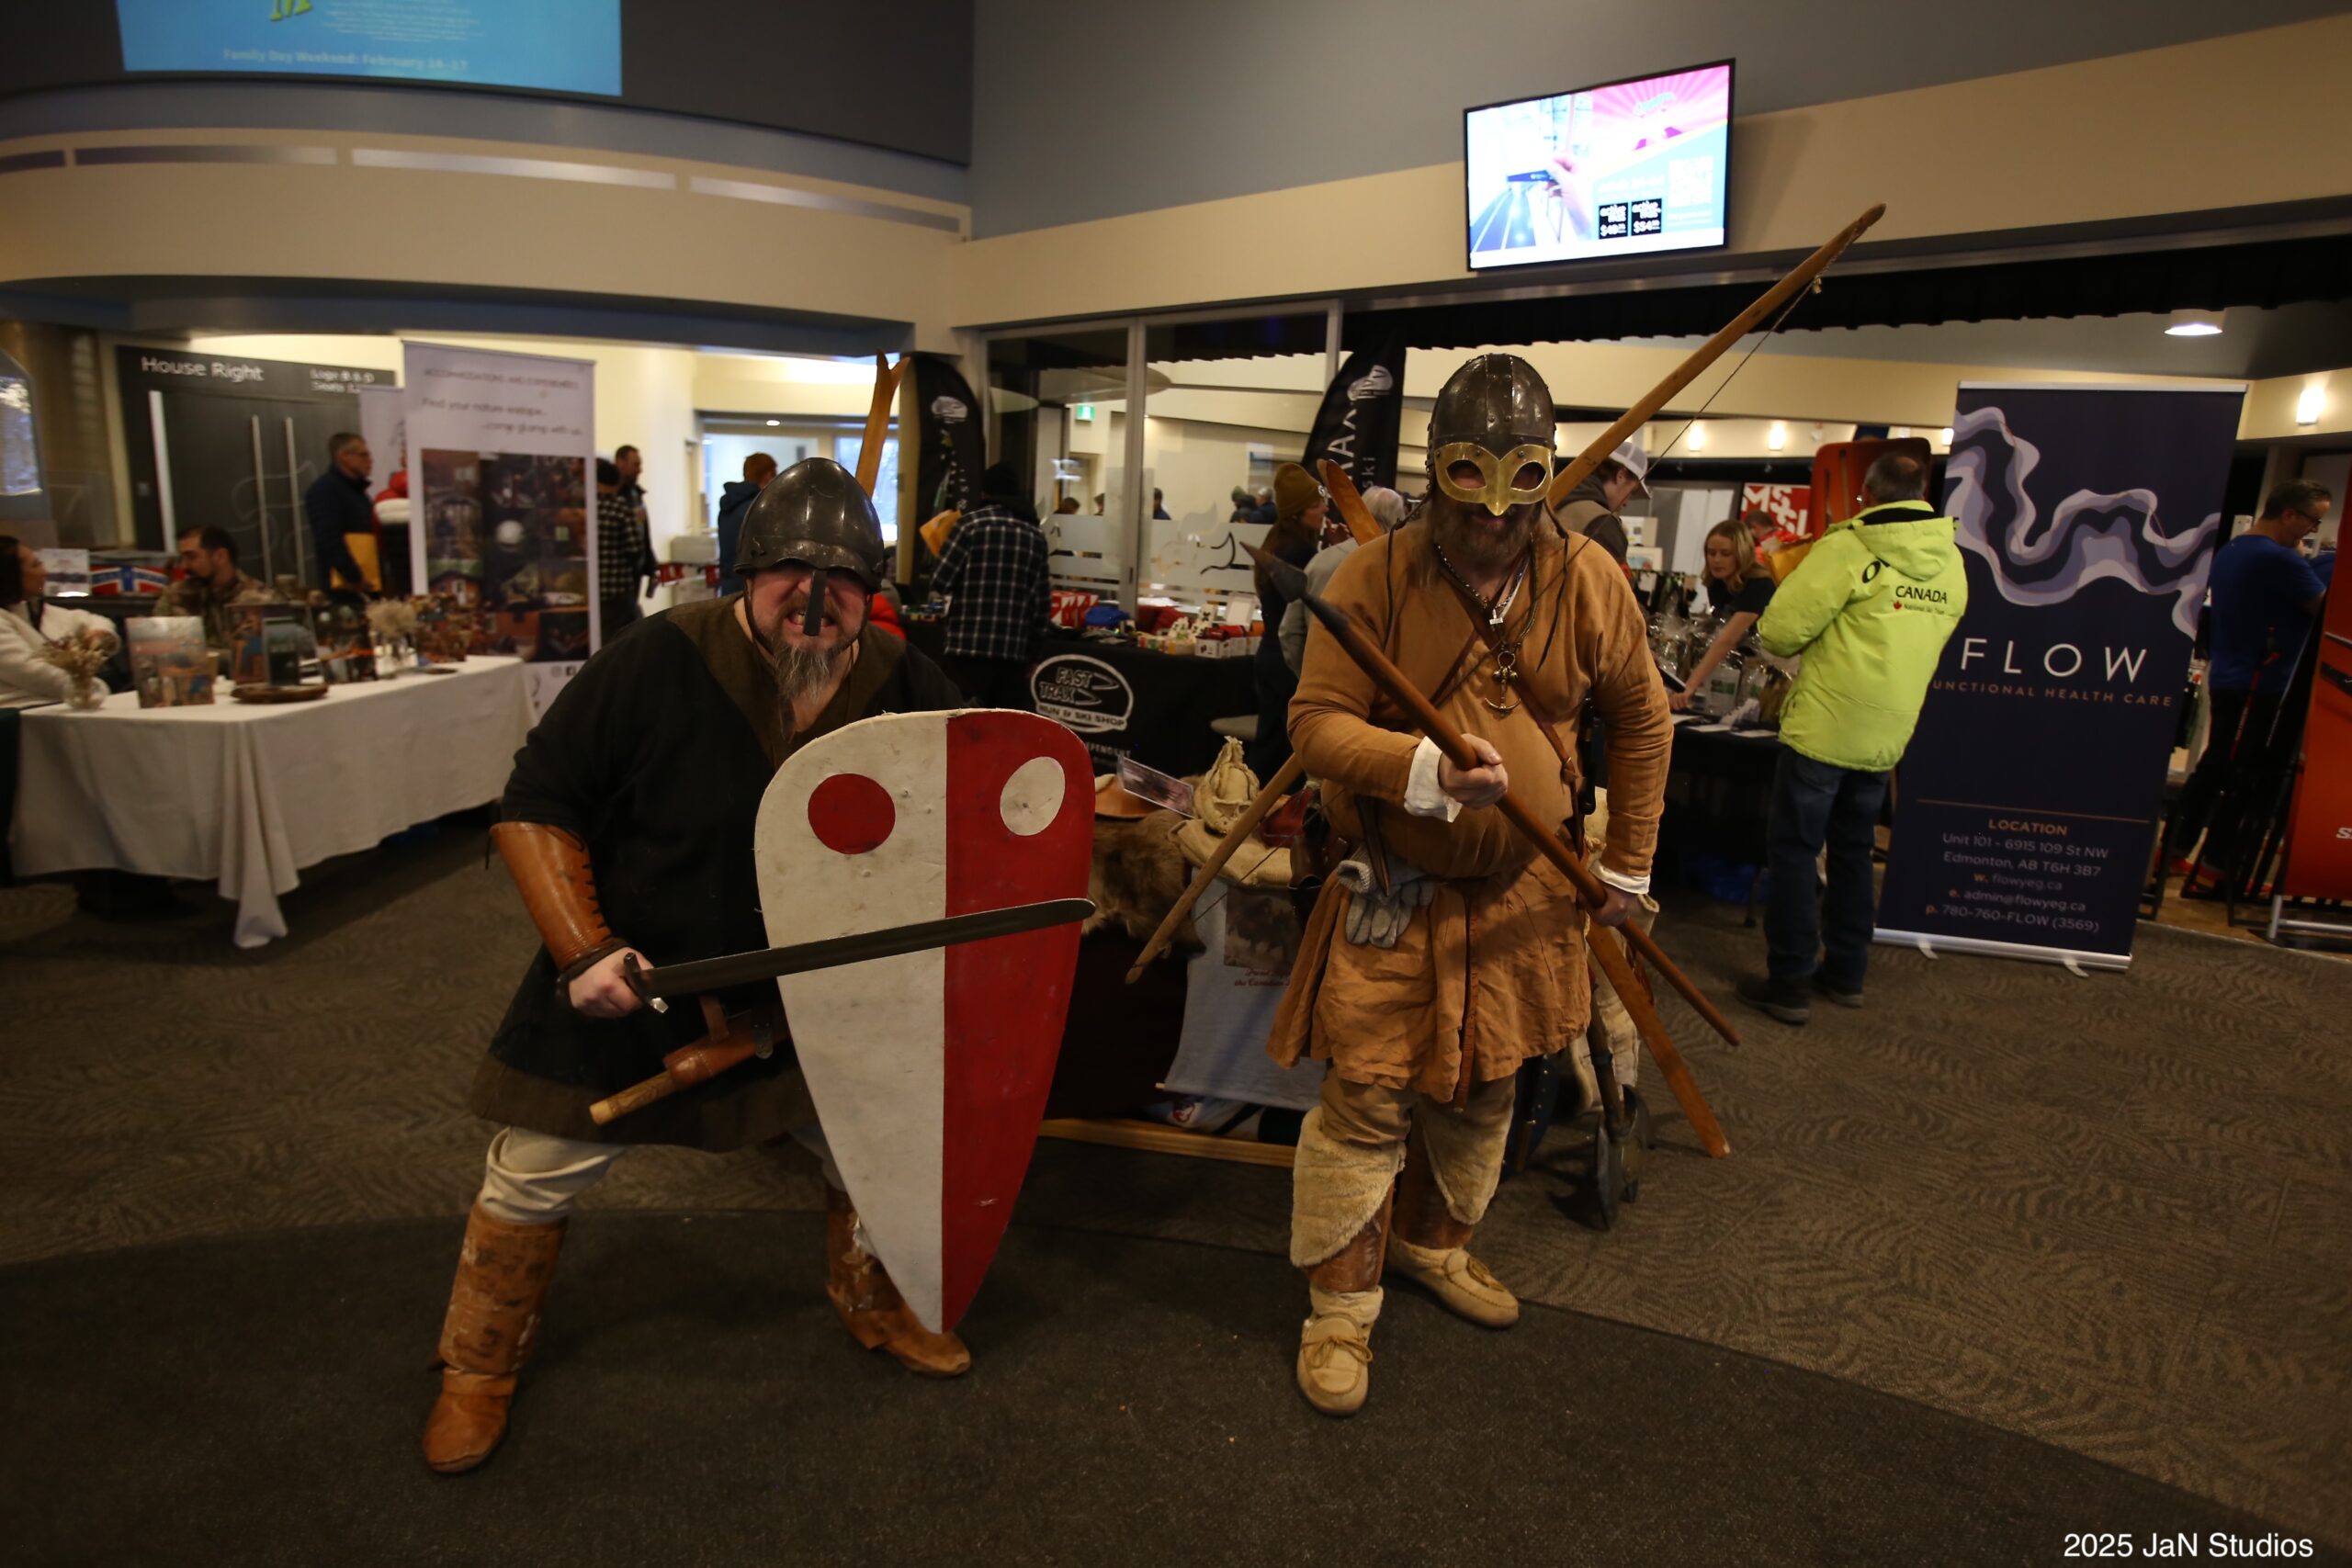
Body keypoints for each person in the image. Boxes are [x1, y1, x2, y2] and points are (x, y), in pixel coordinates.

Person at [419, 457, 970, 1476]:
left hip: (810, 992)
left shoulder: (903, 681)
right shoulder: (658, 656)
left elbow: (970, 813)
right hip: (643, 975)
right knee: (534, 1173)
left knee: (872, 1158)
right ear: (743, 575)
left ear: (874, 593)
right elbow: (538, 799)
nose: (814, 601)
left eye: (843, 582)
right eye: (789, 576)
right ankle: (479, 1364)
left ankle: (875, 1302)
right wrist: (584, 949)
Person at [1270, 355, 1669, 1416]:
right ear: (1435, 470)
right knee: (1367, 1101)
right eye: (1467, 476)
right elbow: (1313, 727)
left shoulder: (1588, 579)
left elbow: (1639, 721)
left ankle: (1434, 1248)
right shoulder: (1367, 578)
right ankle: (1341, 1314)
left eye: (1520, 478)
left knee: (1488, 1084)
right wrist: (1420, 772)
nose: (1493, 510)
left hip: (1527, 896)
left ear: (1545, 475)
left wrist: (1626, 865)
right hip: (1396, 883)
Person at [1737, 453, 1965, 1025]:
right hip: (1888, 731)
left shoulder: (1849, 548)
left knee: (1794, 852)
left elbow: (1782, 628)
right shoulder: (1951, 563)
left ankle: (1788, 982)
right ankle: (1845, 973)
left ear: (1865, 495)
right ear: (1922, 491)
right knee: (1855, 851)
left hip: (1825, 725)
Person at [2166, 479, 2335, 890]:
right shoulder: (2280, 561)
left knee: (2220, 764)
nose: (2312, 531)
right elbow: (2326, 609)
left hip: (2234, 674)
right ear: (2289, 514)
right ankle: (2214, 865)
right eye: (2312, 521)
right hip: (2257, 681)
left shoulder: (2236, 548)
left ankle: (2177, 851)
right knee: (2237, 771)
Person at [931, 462, 1050, 709]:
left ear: (985, 492)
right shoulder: (1035, 536)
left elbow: (940, 581)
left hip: (965, 649)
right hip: (1012, 655)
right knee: (1002, 731)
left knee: (959, 727)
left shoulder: (968, 526)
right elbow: (1041, 606)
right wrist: (1034, 655)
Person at [1279, 484, 1405, 674]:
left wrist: (1308, 677)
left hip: (1320, 680)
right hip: (1375, 690)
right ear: (1399, 521)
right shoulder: (1401, 568)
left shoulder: (1321, 560)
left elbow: (1290, 631)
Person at [1248, 462, 1324, 777]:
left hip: (1268, 655)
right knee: (1287, 753)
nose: (1323, 509)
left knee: (1268, 745)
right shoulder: (1300, 552)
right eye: (1316, 504)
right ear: (1298, 511)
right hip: (1287, 660)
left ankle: (1248, 809)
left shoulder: (1275, 543)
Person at [1669, 520, 1777, 711]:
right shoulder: (1716, 584)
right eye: (1711, 553)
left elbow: (1728, 639)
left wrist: (1690, 686)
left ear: (1741, 554)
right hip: (1734, 670)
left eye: (1725, 554)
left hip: (1764, 673)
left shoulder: (1759, 584)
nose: (1716, 560)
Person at [0, 536, 118, 708]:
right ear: (10, 575)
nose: (44, 572)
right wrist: (89, 687)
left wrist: (100, 635)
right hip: (20, 713)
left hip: (56, 705)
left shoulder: (27, 608)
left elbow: (91, 620)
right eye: (35, 565)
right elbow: (30, 672)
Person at [153, 525, 286, 651]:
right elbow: (156, 647)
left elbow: (275, 656)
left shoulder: (263, 600)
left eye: (191, 557)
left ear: (220, 556)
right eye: (182, 558)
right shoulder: (175, 595)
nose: (183, 566)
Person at [1554, 439, 1647, 565]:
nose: (1626, 502)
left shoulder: (1553, 500)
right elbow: (1617, 583)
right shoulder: (1602, 523)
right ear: (1621, 475)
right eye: (1631, 491)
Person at [304, 433, 377, 592]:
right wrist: (353, 576)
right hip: (346, 588)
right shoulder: (325, 491)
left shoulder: (357, 492)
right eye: (364, 454)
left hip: (367, 581)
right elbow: (328, 538)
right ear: (345, 457)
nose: (370, 460)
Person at [594, 457, 649, 637]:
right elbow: (634, 548)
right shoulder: (621, 507)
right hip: (618, 589)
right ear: (617, 483)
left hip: (594, 590)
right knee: (619, 640)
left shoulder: (587, 509)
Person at [714, 451, 777, 599]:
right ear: (768, 475)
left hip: (729, 584)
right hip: (752, 587)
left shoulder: (728, 506)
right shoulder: (759, 508)